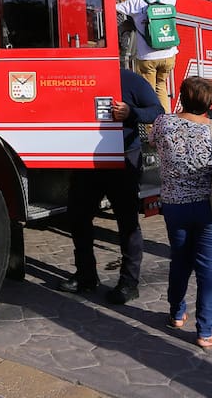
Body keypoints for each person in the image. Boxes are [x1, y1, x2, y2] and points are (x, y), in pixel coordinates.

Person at [150, 76, 212, 349]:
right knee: (208, 271)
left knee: (179, 261)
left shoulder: (164, 124)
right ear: (211, 102)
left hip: (175, 206)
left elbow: (152, 142)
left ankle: (176, 314)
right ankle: (205, 333)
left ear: (181, 97)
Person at [58, 68, 163, 305]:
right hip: (87, 159)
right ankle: (85, 276)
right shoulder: (77, 78)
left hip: (123, 158)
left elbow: (157, 111)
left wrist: (131, 112)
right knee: (78, 217)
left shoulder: (130, 79)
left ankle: (129, 283)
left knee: (127, 222)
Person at [115, 0, 178, 112]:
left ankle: (152, 128)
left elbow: (114, 7)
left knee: (148, 95)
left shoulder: (136, 2)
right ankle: (165, 122)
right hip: (169, 55)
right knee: (161, 86)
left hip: (147, 57)